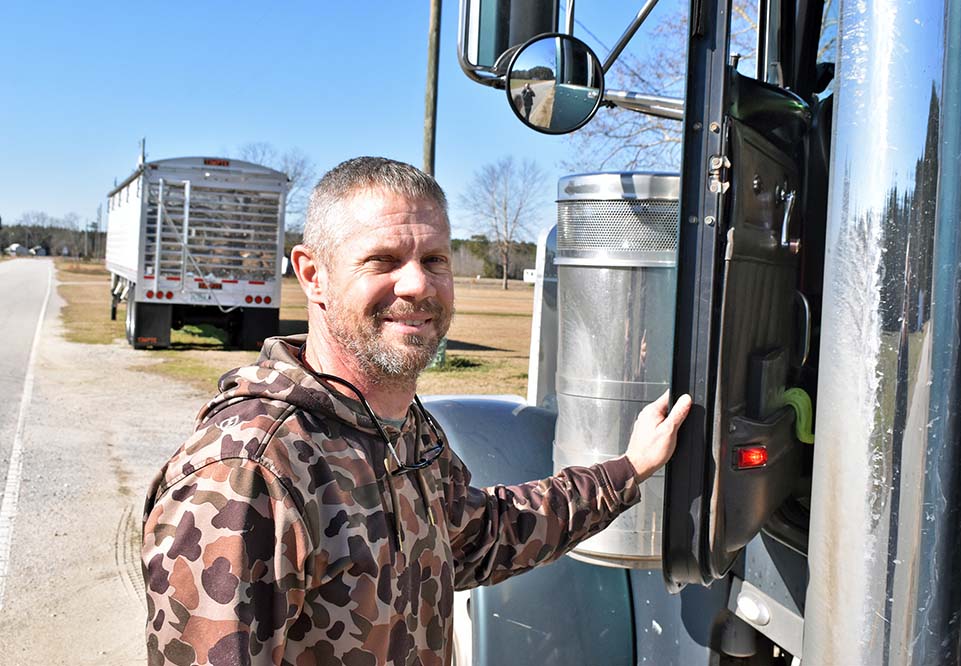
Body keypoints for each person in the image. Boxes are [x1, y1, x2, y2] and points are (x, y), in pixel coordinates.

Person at [141, 156, 692, 666]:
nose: (418, 284)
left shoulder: (401, 432)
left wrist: (630, 469)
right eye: (382, 260)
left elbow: (485, 535)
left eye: (434, 260)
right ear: (313, 275)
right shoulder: (249, 473)